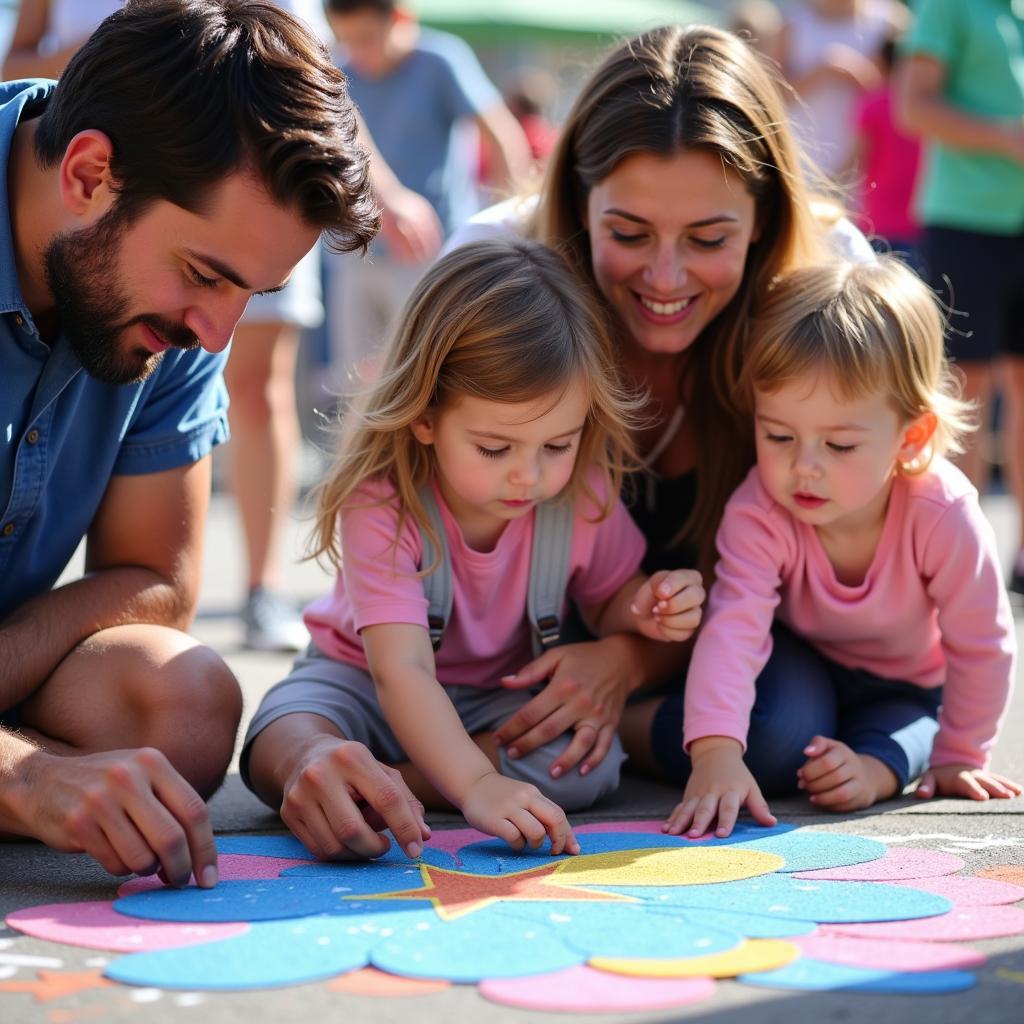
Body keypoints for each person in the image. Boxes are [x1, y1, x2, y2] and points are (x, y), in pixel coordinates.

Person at [0, 0, 429, 884]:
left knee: (186, 704)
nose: (218, 334)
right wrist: (29, 776)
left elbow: (158, 580)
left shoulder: (174, 315)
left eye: (253, 292)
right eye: (205, 274)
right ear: (88, 173)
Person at [444, 24, 873, 787]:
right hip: (521, 630)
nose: (667, 278)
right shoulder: (497, 268)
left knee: (782, 732)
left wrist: (625, 664)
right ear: (578, 203)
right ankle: (548, 741)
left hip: (749, 622)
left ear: (765, 220)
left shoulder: (829, 280)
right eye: (630, 233)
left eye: (709, 237)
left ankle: (599, 736)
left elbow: (887, 514)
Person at [241, 239, 705, 856]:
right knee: (287, 731)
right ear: (426, 416)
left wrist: (646, 605)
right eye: (495, 448)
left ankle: (380, 786)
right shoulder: (383, 501)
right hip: (361, 682)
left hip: (494, 698)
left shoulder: (583, 495)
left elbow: (609, 600)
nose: (528, 475)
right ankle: (341, 770)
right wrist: (480, 784)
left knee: (587, 763)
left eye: (557, 445)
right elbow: (400, 670)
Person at [666, 257, 1020, 839]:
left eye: (839, 444)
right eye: (778, 435)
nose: (804, 467)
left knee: (915, 740)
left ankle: (869, 771)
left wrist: (963, 754)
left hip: (906, 689)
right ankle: (636, 727)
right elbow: (735, 629)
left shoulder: (942, 512)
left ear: (910, 438)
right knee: (772, 737)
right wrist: (714, 755)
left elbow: (982, 642)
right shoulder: (760, 509)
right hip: (802, 666)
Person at [323, 0, 530, 389]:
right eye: (346, 40)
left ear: (401, 19)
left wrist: (502, 223)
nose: (358, 53)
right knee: (357, 386)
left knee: (426, 380)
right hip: (357, 253)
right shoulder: (340, 69)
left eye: (368, 38)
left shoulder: (439, 60)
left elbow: (502, 137)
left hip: (429, 253)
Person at [898, 0, 1024, 599]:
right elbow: (912, 105)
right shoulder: (951, 5)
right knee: (966, 393)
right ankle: (965, 560)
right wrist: (1006, 136)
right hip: (964, 222)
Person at [780, 0, 906, 177]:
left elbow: (904, 95)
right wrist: (823, 70)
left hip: (870, 168)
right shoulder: (792, 22)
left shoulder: (890, 21)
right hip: (802, 161)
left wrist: (859, 73)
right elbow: (772, 96)